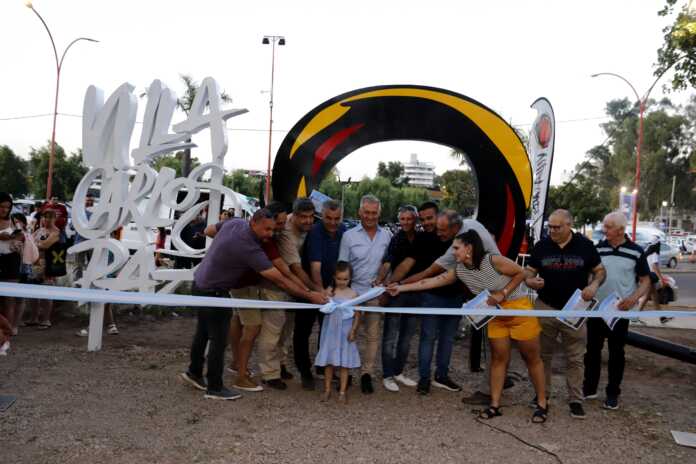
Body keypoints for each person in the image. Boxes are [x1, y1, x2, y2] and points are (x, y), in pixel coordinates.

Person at [389, 230, 548, 423]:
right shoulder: (460, 270)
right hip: (495, 314)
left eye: (456, 248)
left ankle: (542, 403)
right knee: (498, 359)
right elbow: (430, 282)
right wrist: (400, 287)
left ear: (469, 248)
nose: (453, 251)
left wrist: (503, 293)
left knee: (531, 358)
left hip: (519, 309)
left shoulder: (492, 260)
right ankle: (495, 405)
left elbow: (521, 272)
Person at [180, 208, 328, 400]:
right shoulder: (249, 247)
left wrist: (223, 247)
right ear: (254, 223)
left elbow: (209, 230)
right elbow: (281, 281)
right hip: (214, 291)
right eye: (266, 229)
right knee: (219, 339)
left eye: (273, 229)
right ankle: (215, 387)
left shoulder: (235, 223)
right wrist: (310, 296)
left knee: (203, 333)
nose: (270, 234)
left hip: (199, 283)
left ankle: (194, 372)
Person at [523, 209, 605, 420]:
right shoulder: (542, 246)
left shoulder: (585, 245)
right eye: (550, 226)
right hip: (545, 306)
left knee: (575, 357)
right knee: (542, 355)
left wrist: (594, 285)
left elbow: (600, 271)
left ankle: (575, 400)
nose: (552, 231)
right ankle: (542, 395)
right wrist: (530, 281)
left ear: (569, 225)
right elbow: (528, 272)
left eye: (557, 227)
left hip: (575, 309)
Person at [392, 209, 474, 395]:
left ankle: (441, 376)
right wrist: (397, 284)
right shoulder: (423, 239)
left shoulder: (462, 238)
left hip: (455, 296)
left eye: (430, 218)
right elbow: (420, 271)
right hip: (431, 296)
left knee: (447, 339)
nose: (437, 231)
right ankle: (424, 379)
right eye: (424, 219)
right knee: (427, 338)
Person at [227, 201, 305, 391]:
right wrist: (307, 291)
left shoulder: (274, 235)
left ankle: (256, 366)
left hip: (262, 287)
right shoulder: (265, 239)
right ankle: (264, 374)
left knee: (273, 330)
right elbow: (284, 271)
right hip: (262, 288)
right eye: (279, 223)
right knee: (263, 330)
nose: (282, 227)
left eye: (284, 222)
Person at [583, 211, 651, 411]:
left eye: (609, 226)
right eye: (604, 225)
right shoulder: (597, 249)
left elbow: (645, 281)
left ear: (621, 230)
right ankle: (589, 388)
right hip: (596, 309)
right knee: (592, 351)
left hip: (619, 312)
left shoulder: (636, 251)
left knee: (616, 353)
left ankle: (612, 394)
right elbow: (590, 275)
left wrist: (633, 299)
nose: (604, 230)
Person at [338, 194, 392, 394]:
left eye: (374, 213)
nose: (370, 216)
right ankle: (346, 372)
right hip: (353, 293)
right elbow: (342, 266)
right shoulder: (349, 236)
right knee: (348, 333)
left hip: (376, 294)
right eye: (367, 212)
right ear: (360, 212)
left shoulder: (387, 236)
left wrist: (386, 288)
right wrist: (343, 294)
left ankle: (366, 374)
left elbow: (389, 264)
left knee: (373, 335)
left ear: (379, 213)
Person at [298, 199, 346, 390]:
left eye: (336, 218)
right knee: (303, 330)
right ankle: (304, 371)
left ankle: (322, 366)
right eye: (328, 218)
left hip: (332, 290)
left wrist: (335, 289)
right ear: (322, 215)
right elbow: (315, 267)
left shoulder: (343, 231)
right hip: (310, 288)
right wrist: (320, 292)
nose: (333, 222)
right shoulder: (315, 232)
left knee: (327, 331)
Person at [377, 205, 420, 392]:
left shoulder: (421, 238)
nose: (406, 222)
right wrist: (380, 281)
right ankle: (387, 375)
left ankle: (398, 371)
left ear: (415, 219)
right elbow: (388, 262)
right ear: (399, 220)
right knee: (390, 337)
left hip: (415, 293)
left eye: (409, 218)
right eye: (403, 219)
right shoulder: (396, 238)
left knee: (406, 338)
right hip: (396, 292)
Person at [315, 262, 361, 403]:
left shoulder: (353, 294)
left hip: (345, 331)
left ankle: (342, 391)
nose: (342, 282)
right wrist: (326, 297)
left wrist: (353, 330)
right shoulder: (330, 291)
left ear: (350, 278)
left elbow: (358, 314)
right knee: (329, 361)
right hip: (330, 330)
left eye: (345, 279)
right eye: (339, 278)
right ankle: (327, 390)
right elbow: (322, 306)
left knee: (344, 363)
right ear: (334, 277)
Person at [26, 210, 63, 329]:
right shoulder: (39, 230)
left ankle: (46, 319)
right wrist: (37, 244)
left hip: (48, 265)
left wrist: (35, 244)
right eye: (45, 217)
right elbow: (29, 242)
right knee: (32, 292)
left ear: (55, 219)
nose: (47, 220)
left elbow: (46, 245)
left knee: (46, 293)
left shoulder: (56, 232)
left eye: (50, 217)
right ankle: (34, 318)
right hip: (35, 264)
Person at [0, 193, 24, 334]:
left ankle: (8, 329)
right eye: (1, 206)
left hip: (11, 260)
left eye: (7, 207)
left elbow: (22, 236)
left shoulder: (14, 220)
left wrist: (16, 239)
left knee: (10, 297)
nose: (4, 210)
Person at [640, 235, 672, 324]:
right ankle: (634, 316)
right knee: (646, 297)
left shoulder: (647, 252)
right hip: (651, 277)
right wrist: (661, 278)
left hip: (647, 276)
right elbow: (654, 266)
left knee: (654, 298)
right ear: (657, 244)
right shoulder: (654, 254)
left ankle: (662, 317)